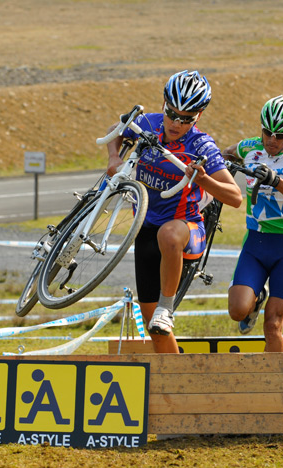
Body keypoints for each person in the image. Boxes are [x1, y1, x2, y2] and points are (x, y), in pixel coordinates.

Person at [105, 70, 242, 353]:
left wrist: (204, 179)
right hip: (145, 231)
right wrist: (114, 157)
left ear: (199, 116)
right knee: (153, 331)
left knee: (168, 234)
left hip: (185, 232)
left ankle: (167, 309)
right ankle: (178, 380)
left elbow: (236, 197)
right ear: (163, 104)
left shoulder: (201, 145)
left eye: (186, 118)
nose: (176, 123)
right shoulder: (148, 123)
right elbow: (115, 131)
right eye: (172, 113)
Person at [221, 95, 283, 352]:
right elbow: (224, 156)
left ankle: (277, 386)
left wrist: (277, 182)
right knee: (237, 311)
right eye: (267, 132)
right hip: (256, 241)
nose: (272, 140)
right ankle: (256, 297)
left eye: (280, 135)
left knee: (272, 324)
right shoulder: (250, 147)